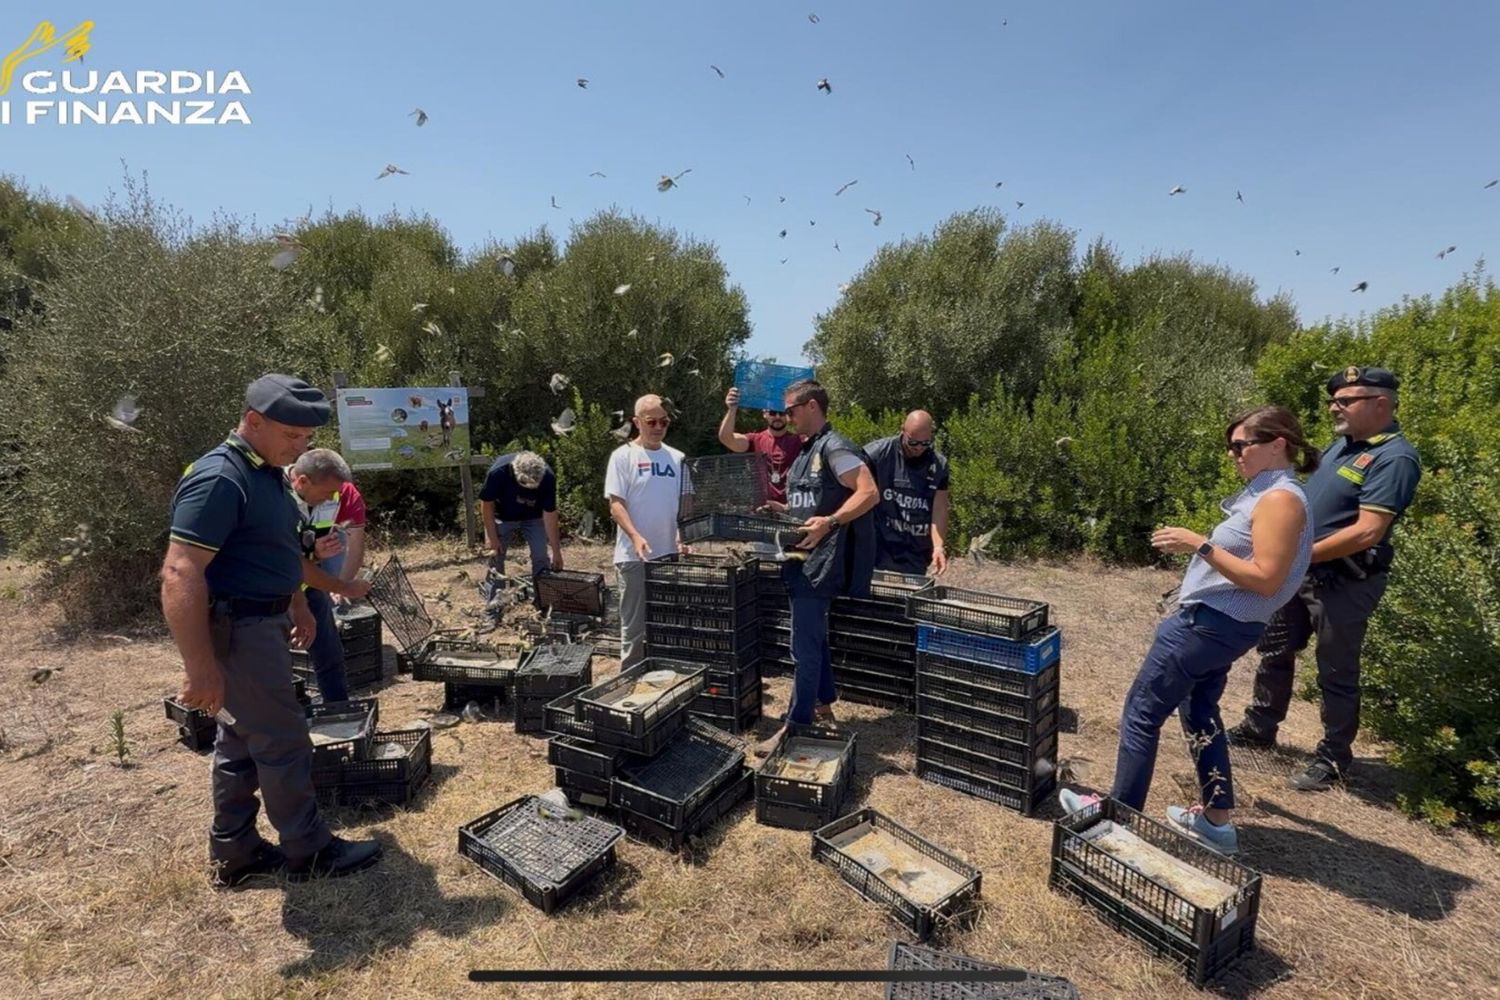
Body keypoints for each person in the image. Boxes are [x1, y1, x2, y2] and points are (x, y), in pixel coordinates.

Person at [1058, 406, 1317, 855]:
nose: (1234, 454)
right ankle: (1216, 822)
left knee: (1142, 711)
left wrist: (1199, 543)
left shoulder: (1279, 499)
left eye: (1241, 445)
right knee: (1200, 711)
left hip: (1207, 626)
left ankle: (1119, 818)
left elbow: (1267, 577)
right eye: (1231, 446)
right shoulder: (1277, 493)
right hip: (1229, 626)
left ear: (1278, 443)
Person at [161, 374, 380, 887]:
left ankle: (234, 852)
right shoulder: (221, 477)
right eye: (292, 436)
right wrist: (200, 668)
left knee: (240, 741)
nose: (300, 448)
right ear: (253, 422)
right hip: (240, 631)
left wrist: (298, 604)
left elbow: (274, 553)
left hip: (266, 620)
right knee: (284, 741)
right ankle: (310, 850)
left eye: (307, 438)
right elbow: (180, 571)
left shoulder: (267, 473)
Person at [1229, 367, 1422, 791]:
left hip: (1345, 582)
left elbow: (1368, 530)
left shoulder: (1395, 457)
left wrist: (1296, 556)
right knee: (1275, 648)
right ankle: (1259, 728)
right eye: (1334, 400)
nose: (1335, 406)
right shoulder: (1341, 447)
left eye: (1346, 400)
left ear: (1381, 404)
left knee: (1336, 670)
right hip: (1302, 574)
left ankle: (1333, 759)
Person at [754, 379, 878, 753]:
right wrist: (783, 511)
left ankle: (797, 724)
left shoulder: (835, 446)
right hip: (798, 560)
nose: (787, 417)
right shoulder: (809, 450)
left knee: (803, 646)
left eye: (791, 410)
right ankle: (824, 701)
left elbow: (868, 491)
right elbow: (811, 504)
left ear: (811, 406)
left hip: (821, 564)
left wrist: (831, 522)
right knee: (813, 637)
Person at [605, 394, 690, 668]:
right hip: (633, 557)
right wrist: (635, 535)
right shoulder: (622, 456)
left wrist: (683, 535)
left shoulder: (678, 459)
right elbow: (616, 505)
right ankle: (628, 683)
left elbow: (686, 503)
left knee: (666, 623)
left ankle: (663, 680)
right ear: (636, 422)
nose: (658, 427)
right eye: (651, 421)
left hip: (668, 556)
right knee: (634, 627)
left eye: (663, 422)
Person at [287, 448, 366, 703]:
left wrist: (317, 554)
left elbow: (307, 556)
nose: (331, 499)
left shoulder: (335, 494)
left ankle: (340, 714)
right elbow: (286, 563)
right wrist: (343, 587)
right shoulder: (273, 497)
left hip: (308, 588)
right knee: (273, 663)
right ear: (302, 482)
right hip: (272, 592)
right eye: (326, 493)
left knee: (330, 654)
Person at [865, 410, 950, 576]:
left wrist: (938, 546)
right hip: (880, 546)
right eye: (913, 442)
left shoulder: (939, 464)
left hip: (915, 549)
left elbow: (939, 509)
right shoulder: (878, 454)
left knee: (911, 598)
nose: (918, 448)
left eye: (925, 443)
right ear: (902, 430)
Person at [479, 450, 563, 576]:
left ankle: (542, 590)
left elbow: (550, 514)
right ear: (515, 472)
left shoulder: (548, 477)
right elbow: (487, 505)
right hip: (503, 515)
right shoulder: (498, 473)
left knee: (540, 554)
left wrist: (556, 552)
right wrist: (492, 538)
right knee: (496, 553)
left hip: (534, 516)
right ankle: (497, 591)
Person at [718, 386, 804, 506]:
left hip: (791, 509)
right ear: (765, 414)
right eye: (773, 412)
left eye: (782, 413)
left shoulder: (799, 440)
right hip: (762, 510)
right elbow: (726, 438)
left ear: (788, 415)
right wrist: (732, 409)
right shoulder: (755, 439)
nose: (778, 417)